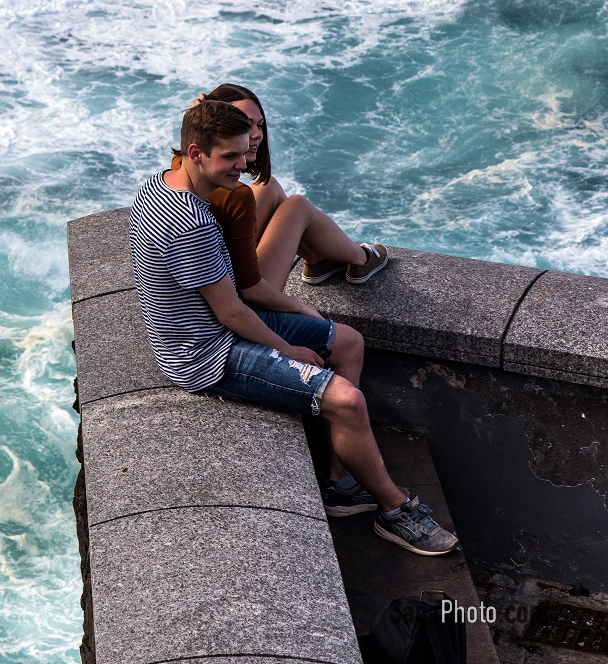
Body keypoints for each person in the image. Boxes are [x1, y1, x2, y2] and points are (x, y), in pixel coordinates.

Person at [132, 99, 458, 555]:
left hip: (211, 324)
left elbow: (230, 302)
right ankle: (394, 509)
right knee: (346, 400)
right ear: (195, 152)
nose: (242, 166)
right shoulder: (189, 222)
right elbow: (231, 313)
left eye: (245, 154)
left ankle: (341, 484)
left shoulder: (158, 184)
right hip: (207, 354)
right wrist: (287, 348)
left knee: (348, 341)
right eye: (230, 157)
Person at [173, 83, 388, 295]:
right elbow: (247, 286)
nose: (256, 134)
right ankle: (362, 258)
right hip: (238, 298)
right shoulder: (233, 194)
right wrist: (299, 310)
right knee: (296, 206)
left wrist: (196, 122)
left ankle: (318, 261)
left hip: (216, 279)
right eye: (245, 125)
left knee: (268, 187)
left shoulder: (182, 169)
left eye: (260, 125)